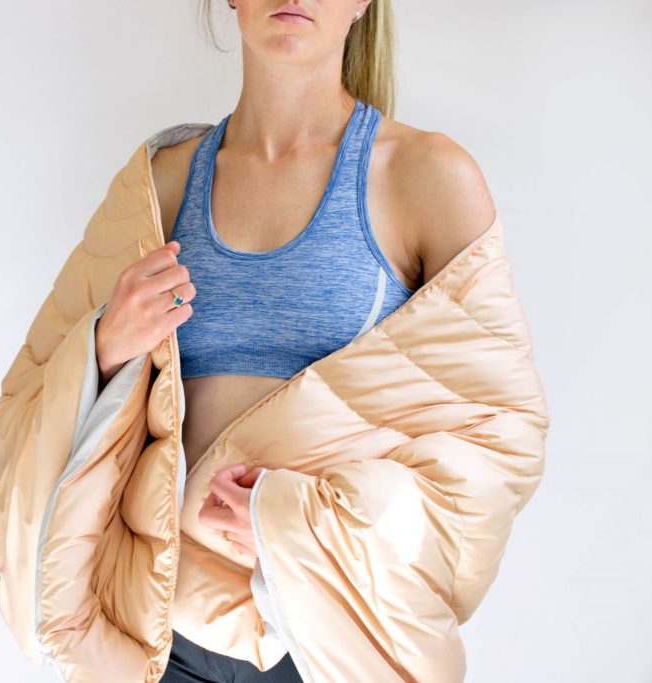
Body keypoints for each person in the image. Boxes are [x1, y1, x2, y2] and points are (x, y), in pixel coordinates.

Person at [90, 1, 497, 680]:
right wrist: (104, 348)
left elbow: (489, 440)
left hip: (327, 628)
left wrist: (300, 527)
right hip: (162, 631)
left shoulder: (426, 176)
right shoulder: (160, 182)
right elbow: (49, 408)